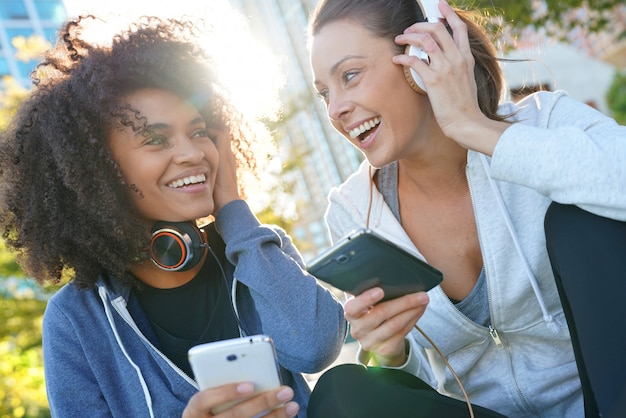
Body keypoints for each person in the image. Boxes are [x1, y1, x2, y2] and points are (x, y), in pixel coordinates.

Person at [0, 14, 347, 418]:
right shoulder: (75, 319)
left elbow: (316, 347)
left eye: (199, 132)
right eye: (156, 139)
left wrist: (233, 209)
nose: (192, 153)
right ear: (97, 171)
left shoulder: (257, 250)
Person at [307, 0, 626, 417]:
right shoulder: (352, 213)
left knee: (580, 219)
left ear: (420, 58)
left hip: (606, 400)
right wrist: (392, 353)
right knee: (342, 390)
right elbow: (422, 388)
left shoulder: (543, 124)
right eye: (325, 94)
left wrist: (473, 127)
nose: (336, 110)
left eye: (350, 75)